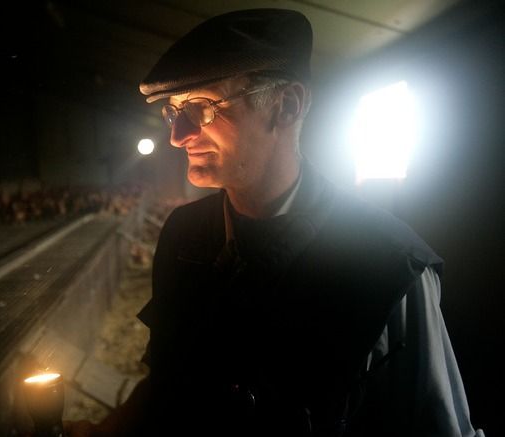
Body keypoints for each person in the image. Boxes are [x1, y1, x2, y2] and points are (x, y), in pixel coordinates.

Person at [64, 8, 484, 437]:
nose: (178, 135)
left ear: (287, 105)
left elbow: (439, 427)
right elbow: (169, 383)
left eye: (201, 108)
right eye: (174, 112)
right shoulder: (183, 235)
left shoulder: (389, 266)